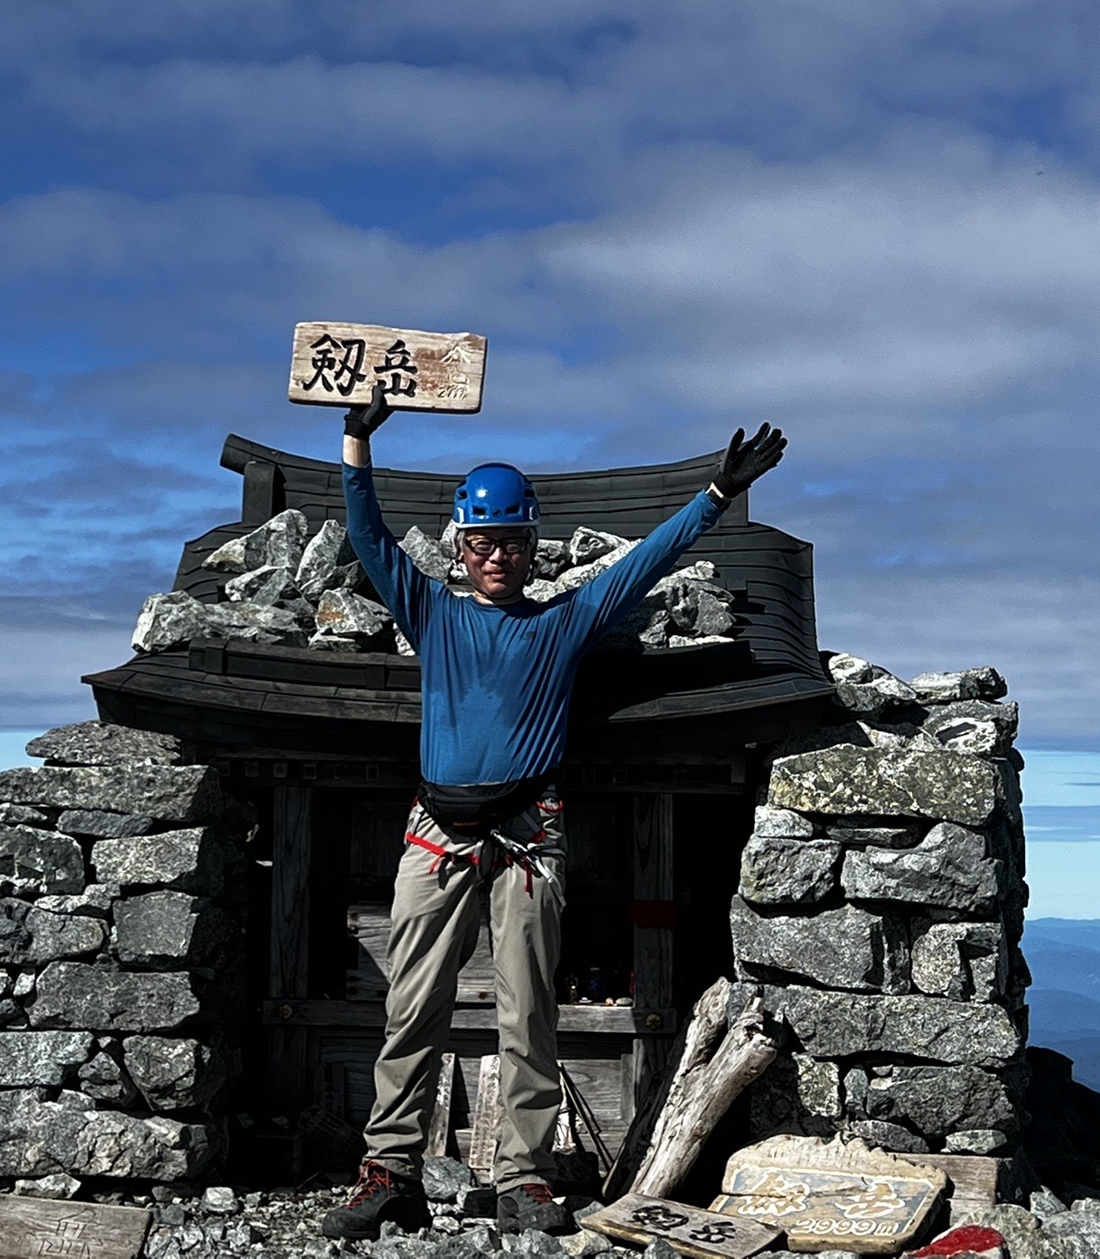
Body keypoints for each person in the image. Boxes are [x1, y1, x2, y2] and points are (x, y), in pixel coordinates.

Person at [320, 383, 787, 1240]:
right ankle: (390, 1171)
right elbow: (370, 538)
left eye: (512, 542)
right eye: (484, 542)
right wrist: (357, 447)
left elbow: (642, 563)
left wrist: (716, 495)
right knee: (409, 1006)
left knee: (527, 1010)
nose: (498, 555)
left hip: (526, 837)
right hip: (439, 833)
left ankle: (526, 1179)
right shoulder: (431, 612)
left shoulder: (564, 623)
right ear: (462, 547)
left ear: (532, 548)